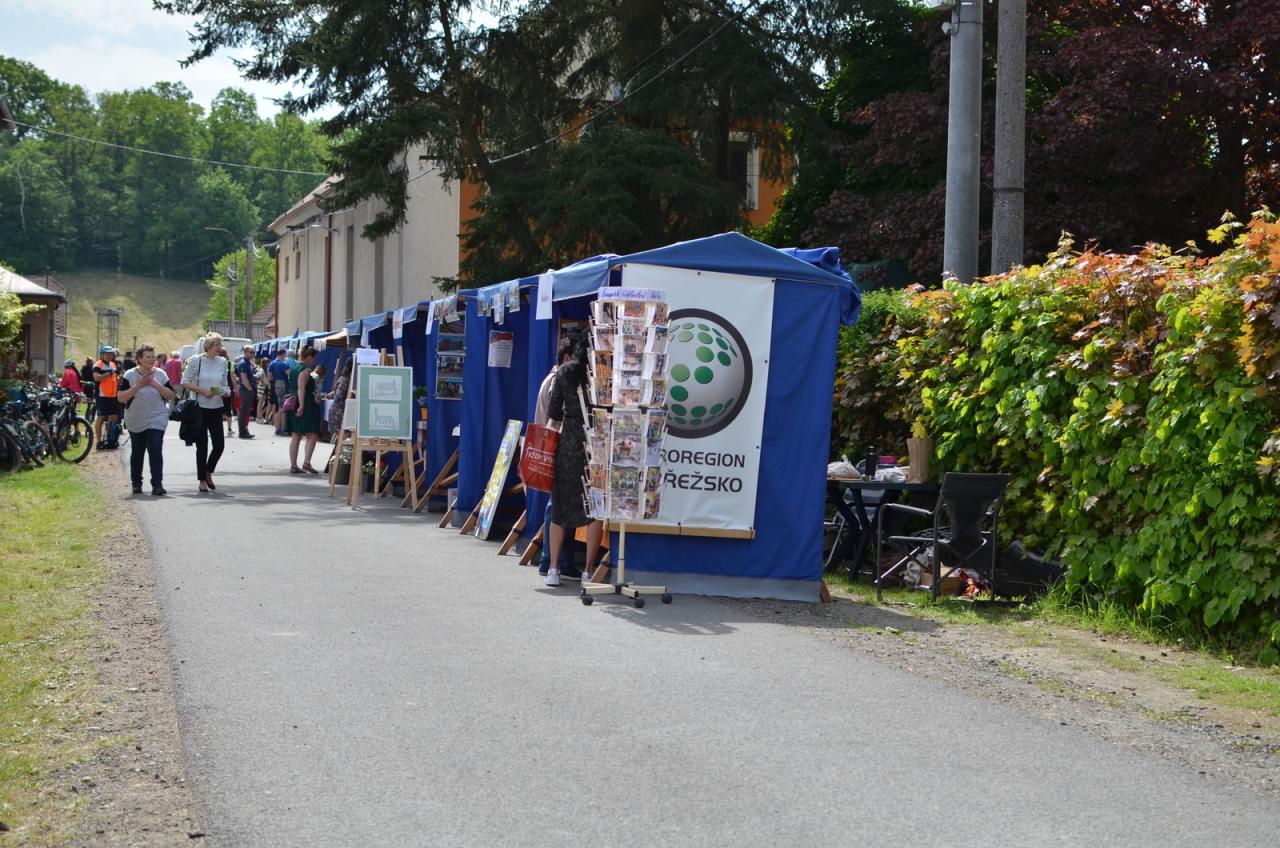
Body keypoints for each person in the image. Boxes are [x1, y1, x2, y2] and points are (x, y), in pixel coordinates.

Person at [543, 336, 603, 586]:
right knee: (595, 509)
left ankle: (553, 569)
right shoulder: (603, 374)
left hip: (569, 445)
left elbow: (554, 412)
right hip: (596, 446)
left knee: (560, 508)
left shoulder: (565, 373)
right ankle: (588, 570)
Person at [533, 339, 578, 579]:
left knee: (560, 504)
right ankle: (550, 560)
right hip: (558, 446)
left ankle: (558, 560)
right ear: (567, 358)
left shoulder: (551, 378)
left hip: (554, 445)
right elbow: (555, 415)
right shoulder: (556, 380)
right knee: (557, 505)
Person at [118, 344, 174, 495]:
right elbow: (121, 397)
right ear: (139, 359)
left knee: (155, 447)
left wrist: (155, 384)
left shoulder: (161, 374)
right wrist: (139, 385)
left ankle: (157, 484)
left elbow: (170, 395)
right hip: (136, 417)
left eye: (153, 357)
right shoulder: (130, 375)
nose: (152, 359)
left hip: (157, 416)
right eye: (148, 357)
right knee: (138, 451)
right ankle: (136, 483)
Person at [181, 333, 231, 493]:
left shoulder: (223, 362)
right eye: (217, 345)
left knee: (219, 445)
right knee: (202, 446)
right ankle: (202, 479)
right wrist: (202, 390)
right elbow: (184, 381)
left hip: (216, 407)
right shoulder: (196, 360)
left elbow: (225, 386)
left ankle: (208, 470)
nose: (220, 348)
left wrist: (220, 391)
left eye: (220, 345)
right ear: (208, 346)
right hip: (199, 408)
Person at [286, 346, 323, 474]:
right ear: (309, 357)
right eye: (313, 359)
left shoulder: (294, 368)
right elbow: (301, 388)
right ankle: (306, 462)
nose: (314, 362)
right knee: (312, 434)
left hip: (293, 402)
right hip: (306, 404)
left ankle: (293, 465)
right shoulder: (305, 370)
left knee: (296, 435)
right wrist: (301, 406)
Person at [92, 346, 122, 449]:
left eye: (111, 354)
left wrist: (119, 379)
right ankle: (99, 441)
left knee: (113, 418)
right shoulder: (98, 364)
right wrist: (108, 373)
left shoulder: (113, 364)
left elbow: (115, 378)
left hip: (112, 396)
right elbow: (96, 378)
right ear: (102, 355)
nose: (109, 356)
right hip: (102, 396)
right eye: (107, 354)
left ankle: (111, 440)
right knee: (101, 418)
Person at [325, 357, 352, 438]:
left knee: (337, 437)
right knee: (341, 436)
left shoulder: (342, 377)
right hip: (340, 410)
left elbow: (336, 391)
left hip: (337, 409)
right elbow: (339, 395)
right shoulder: (347, 379)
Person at [234, 345, 257, 439]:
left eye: (253, 352)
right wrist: (250, 388)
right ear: (245, 352)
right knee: (243, 411)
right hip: (246, 390)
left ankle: (244, 430)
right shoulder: (243, 363)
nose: (253, 354)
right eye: (251, 352)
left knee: (246, 411)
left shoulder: (247, 363)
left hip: (247, 389)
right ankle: (242, 432)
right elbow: (244, 378)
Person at [267, 349, 291, 435]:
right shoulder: (283, 364)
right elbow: (290, 374)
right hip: (283, 384)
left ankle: (278, 428)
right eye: (285, 354)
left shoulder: (272, 363)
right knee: (282, 408)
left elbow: (269, 377)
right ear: (283, 354)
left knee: (279, 407)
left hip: (276, 384)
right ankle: (279, 429)